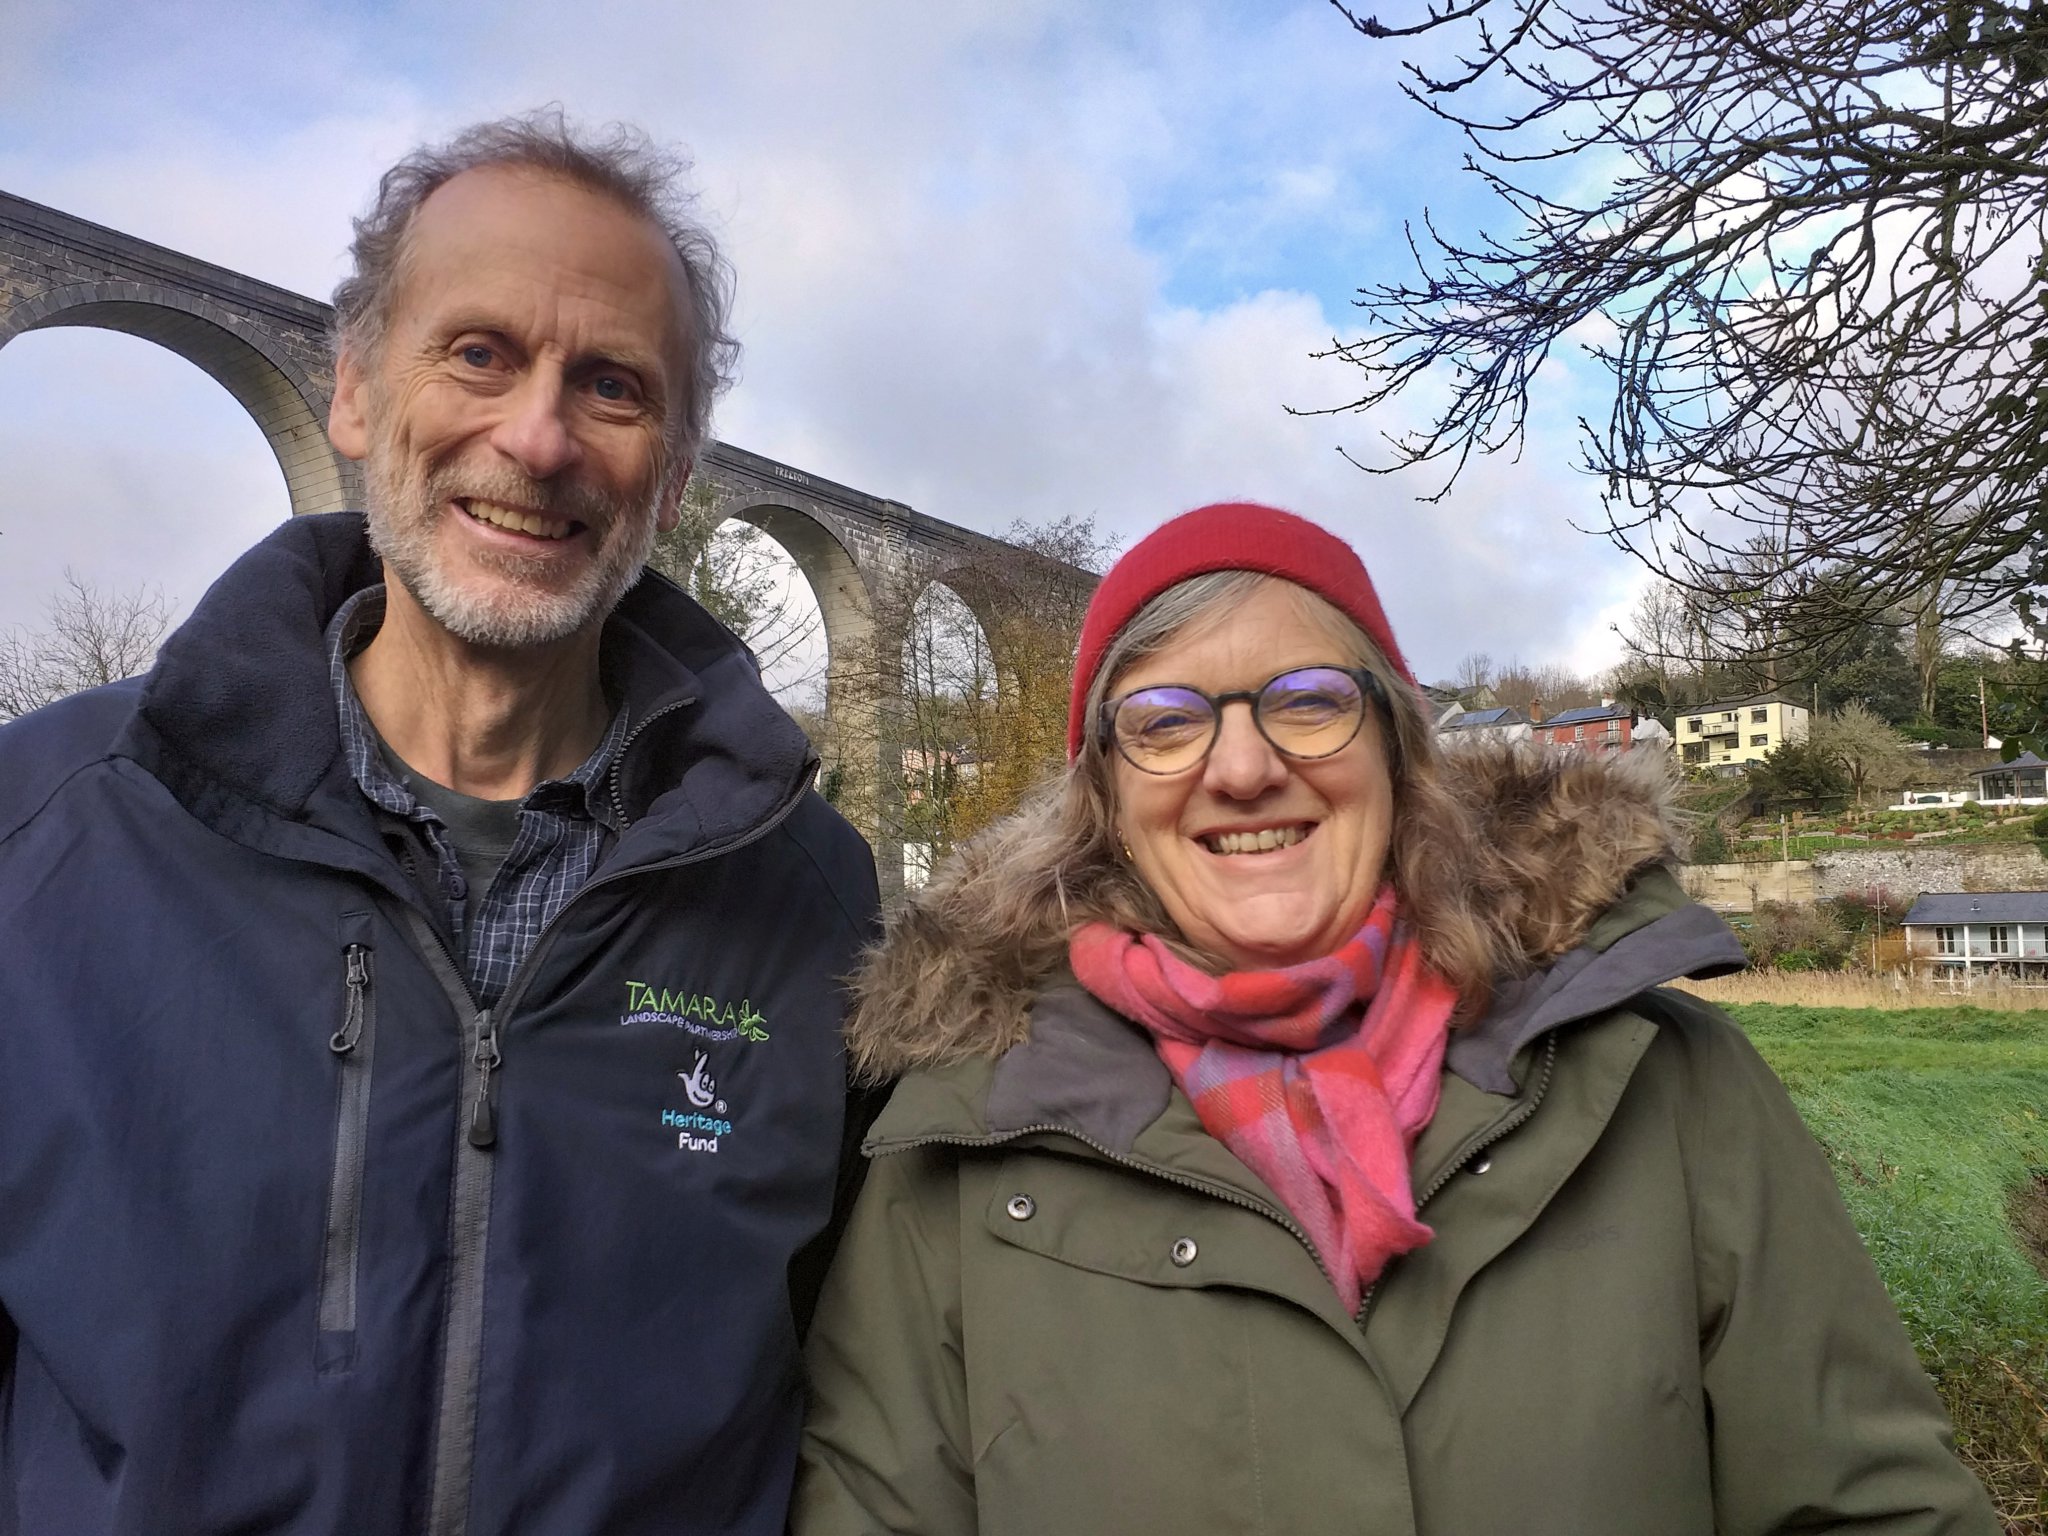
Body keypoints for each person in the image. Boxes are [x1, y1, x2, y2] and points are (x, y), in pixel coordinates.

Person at [0, 114, 878, 1534]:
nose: (534, 438)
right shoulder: (39, 839)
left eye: (610, 386)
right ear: (350, 393)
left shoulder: (811, 904)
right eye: (477, 353)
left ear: (671, 472)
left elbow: (857, 1404)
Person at [793, 503, 1997, 1535]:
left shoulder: (1671, 1091)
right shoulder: (954, 1148)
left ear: (1400, 753)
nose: (1242, 765)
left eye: (1307, 702)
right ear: (1102, 799)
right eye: (1164, 721)